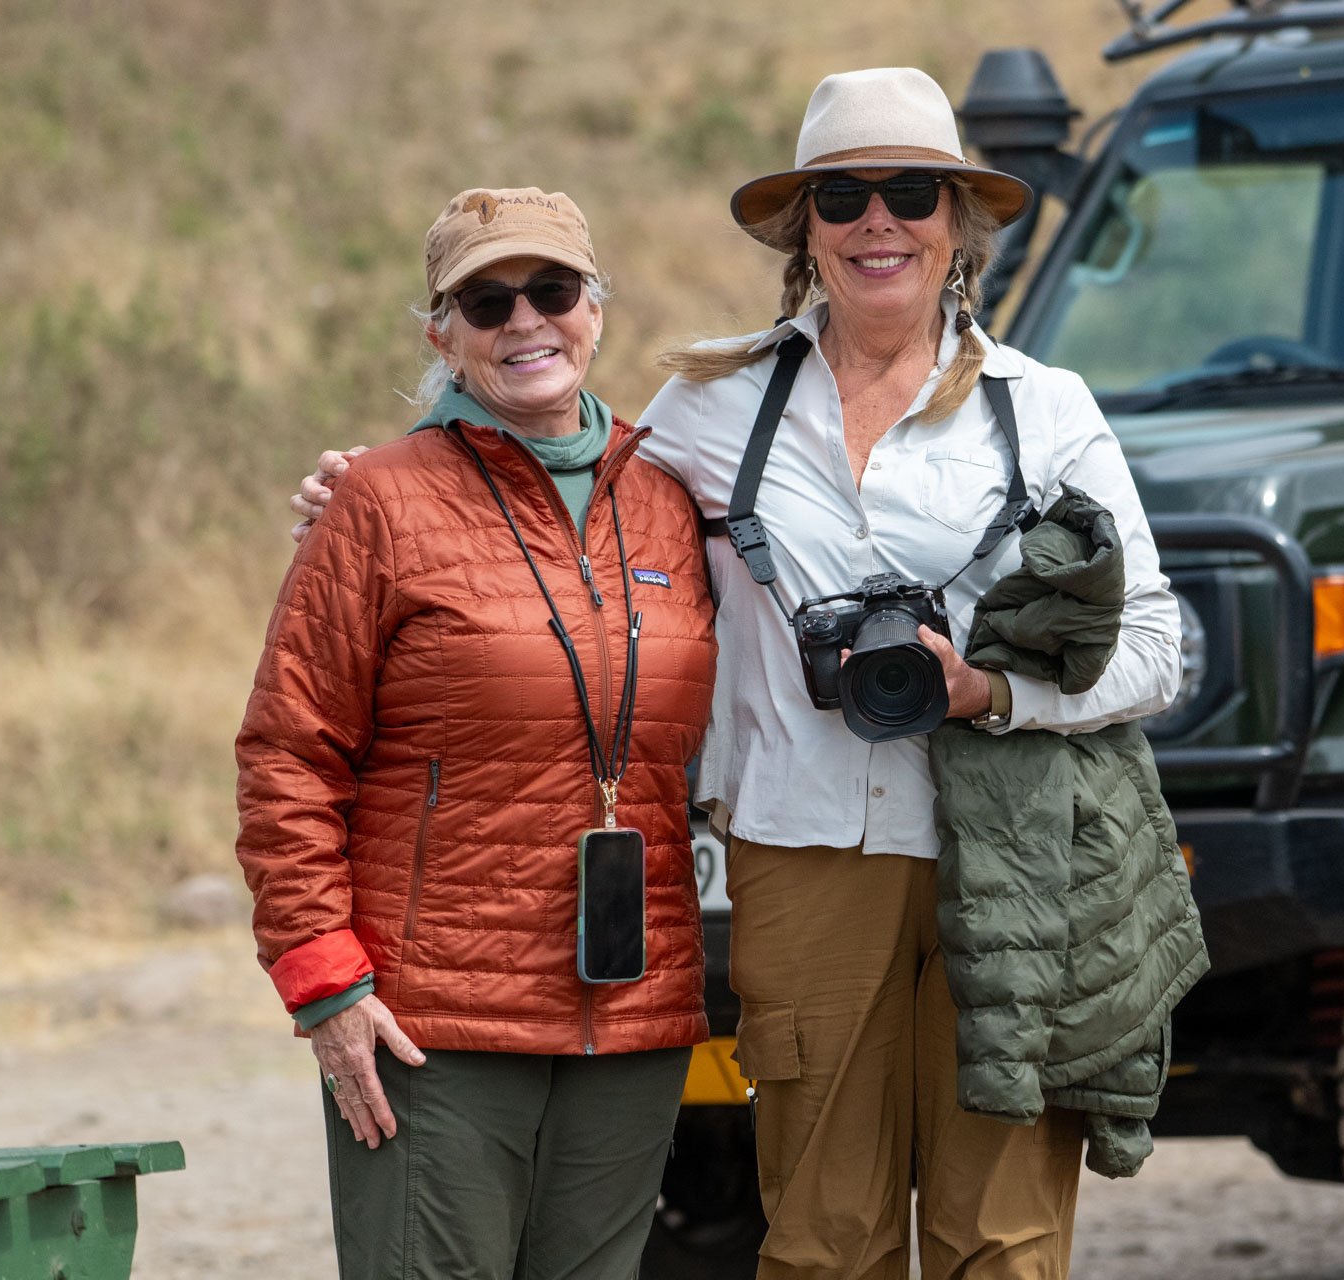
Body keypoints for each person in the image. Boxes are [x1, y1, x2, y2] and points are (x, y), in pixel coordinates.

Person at [292, 69, 1182, 1280]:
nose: (879, 220)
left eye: (911, 191)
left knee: (1006, 1242)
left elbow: (1154, 647)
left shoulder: (1047, 409)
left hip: (1021, 852)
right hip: (804, 852)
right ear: (802, 230)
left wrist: (990, 693)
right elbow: (554, 489)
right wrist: (378, 491)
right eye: (843, 196)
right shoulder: (713, 404)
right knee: (822, 1238)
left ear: (959, 221)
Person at [239, 187, 717, 1280]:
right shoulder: (376, 500)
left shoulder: (673, 496)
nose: (524, 322)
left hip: (631, 1014)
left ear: (595, 307)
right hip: (434, 1023)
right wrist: (327, 985)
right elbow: (288, 751)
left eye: (550, 290)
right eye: (486, 301)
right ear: (441, 335)